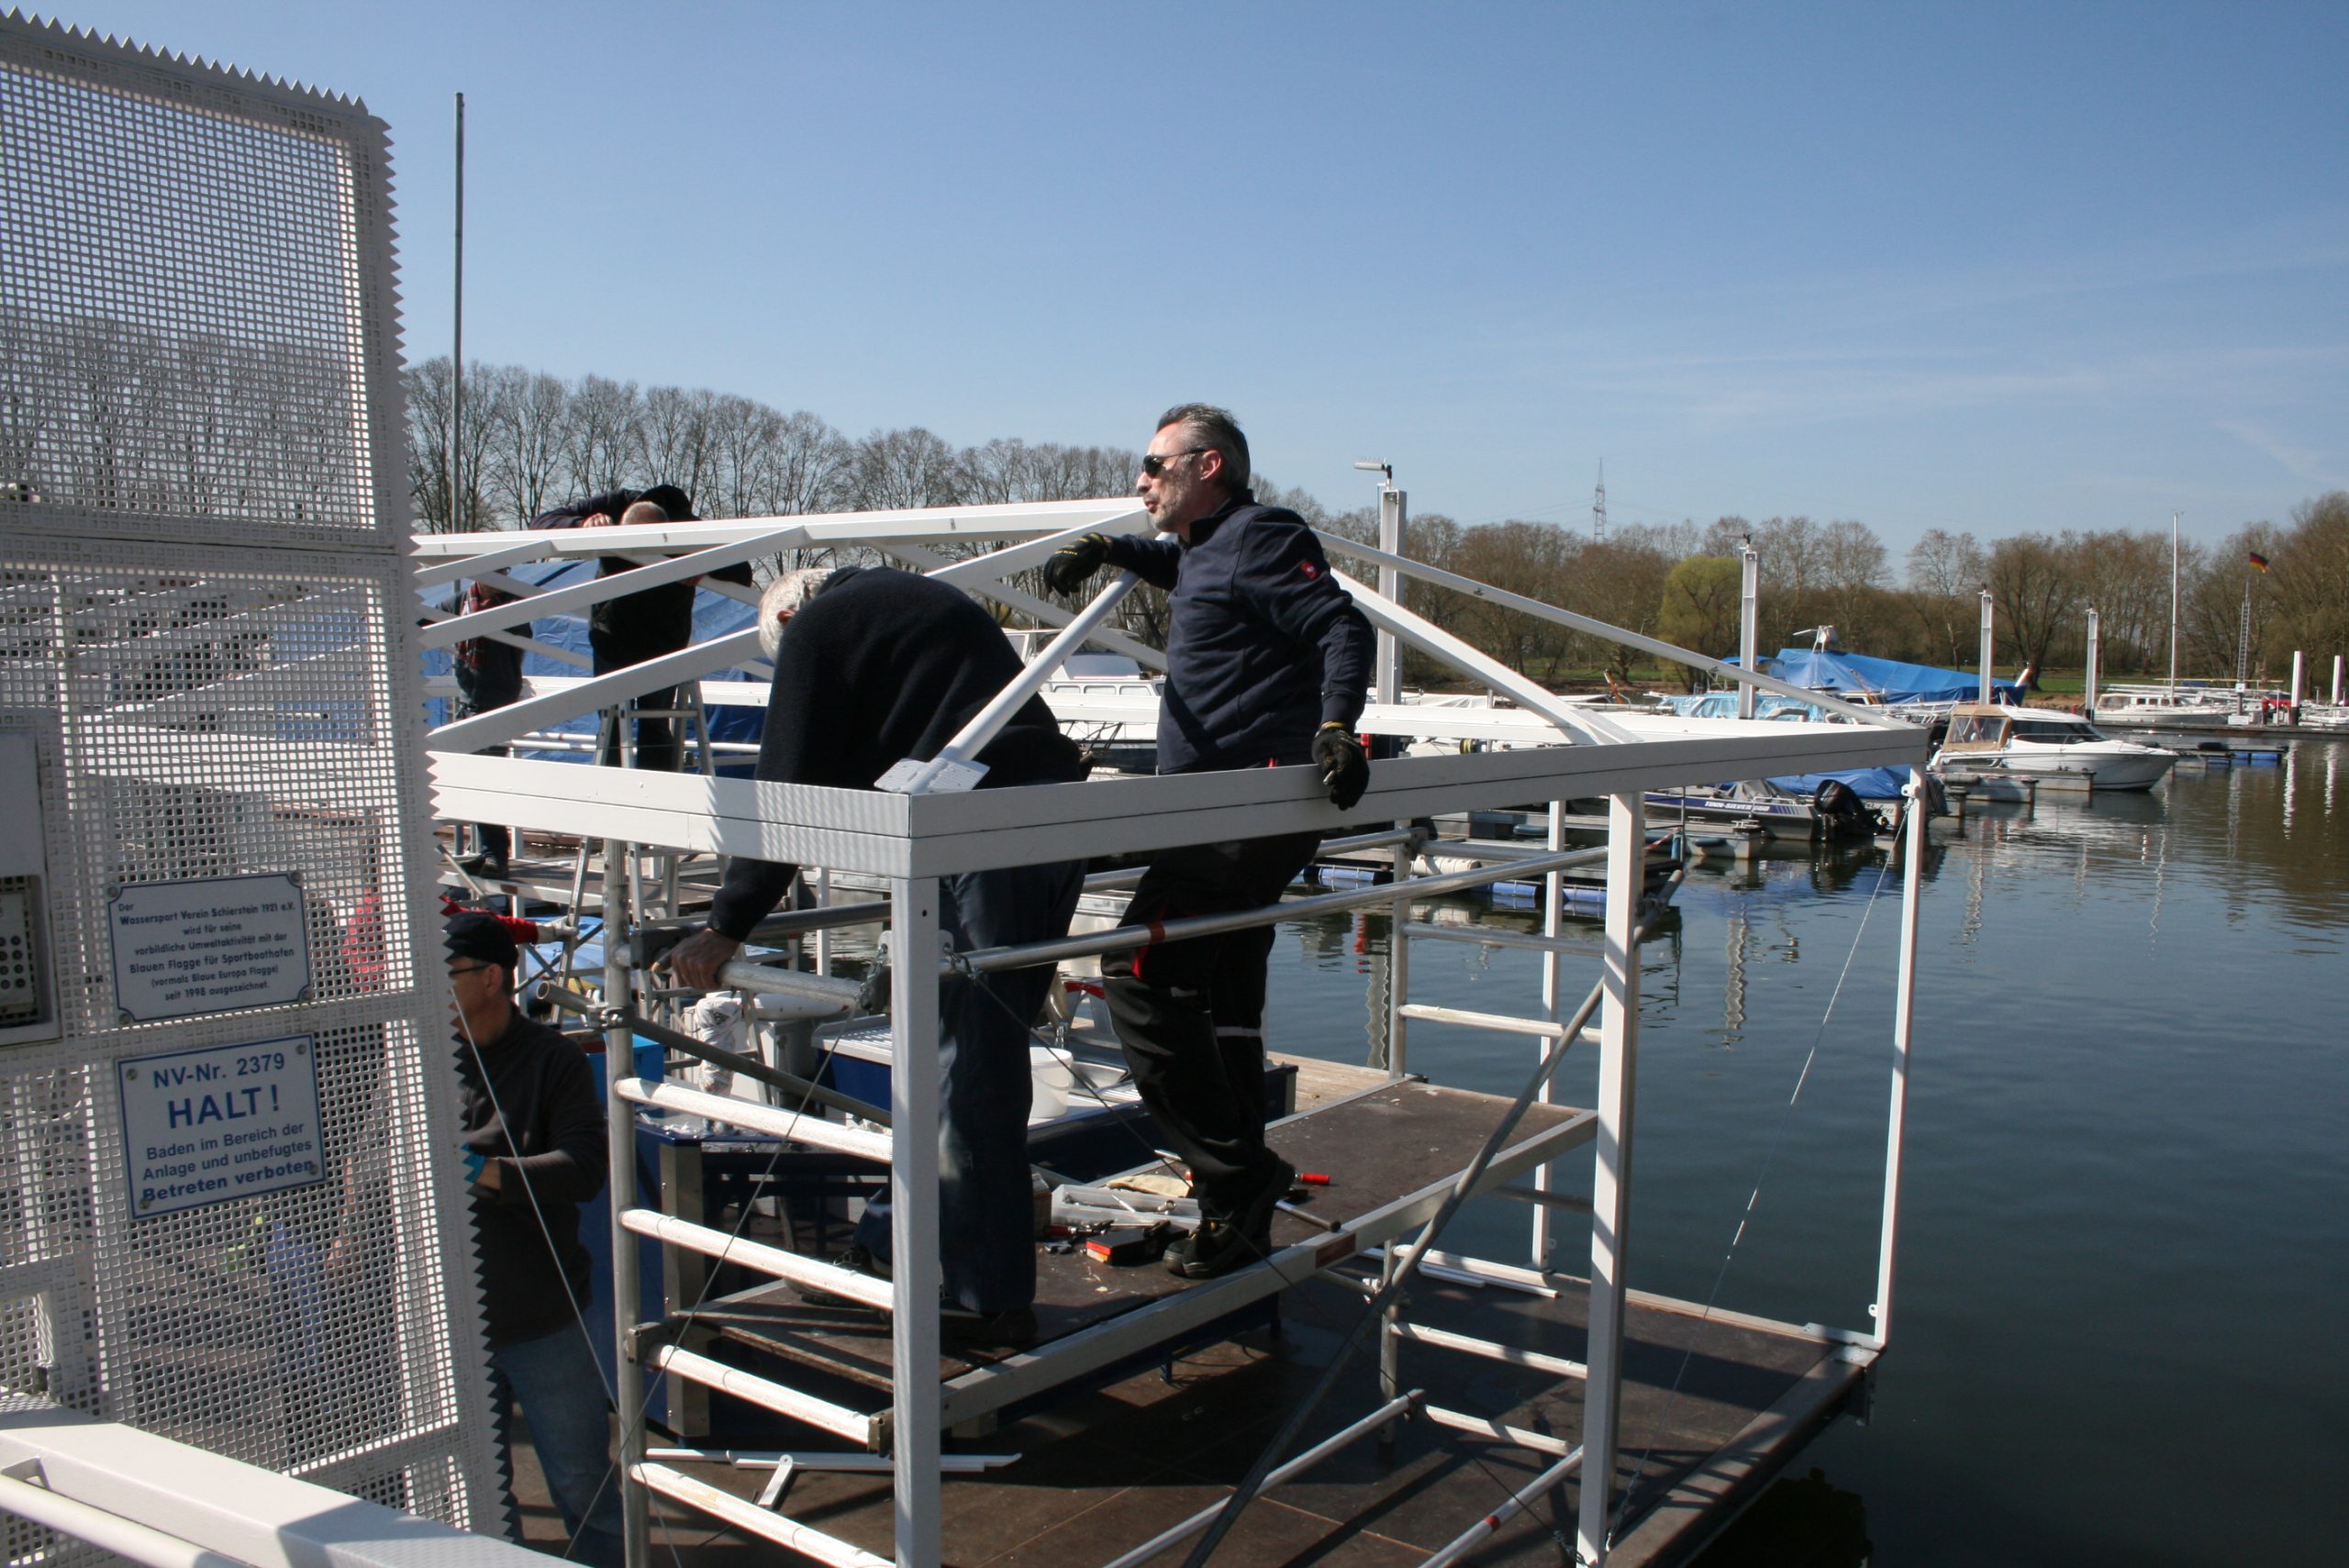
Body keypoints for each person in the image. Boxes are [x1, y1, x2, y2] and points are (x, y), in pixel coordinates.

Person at [667, 567, 1087, 1344]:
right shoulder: (915, 602)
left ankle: (987, 1300)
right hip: (1048, 824)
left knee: (971, 1075)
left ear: (787, 618)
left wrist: (727, 921)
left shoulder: (818, 629)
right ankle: (888, 1247)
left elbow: (785, 792)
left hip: (979, 840)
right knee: (951, 1065)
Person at [1040, 404, 1374, 1279]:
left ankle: (1237, 1174)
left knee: (1136, 972)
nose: (1141, 479)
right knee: (1223, 1000)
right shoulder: (1203, 548)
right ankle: (1236, 1215)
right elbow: (1192, 569)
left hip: (1240, 814)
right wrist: (1112, 550)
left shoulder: (1261, 535)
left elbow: (1341, 625)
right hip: (1214, 815)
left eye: (1155, 465)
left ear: (1210, 466)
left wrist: (1337, 725)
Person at [444, 908, 623, 1568]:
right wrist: (347, 1243)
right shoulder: (420, 1054)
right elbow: (369, 1154)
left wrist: (480, 1172)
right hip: (451, 1322)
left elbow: (584, 1168)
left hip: (542, 1315)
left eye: (446, 973)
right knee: (478, 1494)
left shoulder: (555, 1059)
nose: (430, 988)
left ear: (492, 978)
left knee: (583, 1483)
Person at [530, 483, 744, 773]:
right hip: (613, 637)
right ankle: (612, 791)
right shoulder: (612, 503)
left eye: (648, 550)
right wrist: (581, 525)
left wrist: (706, 562)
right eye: (633, 550)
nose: (639, 559)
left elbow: (741, 569)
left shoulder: (687, 526)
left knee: (654, 723)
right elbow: (541, 522)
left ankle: (655, 791)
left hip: (662, 641)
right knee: (611, 724)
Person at [451, 578, 527, 878]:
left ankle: (497, 855)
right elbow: (421, 621)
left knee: (487, 782)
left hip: (495, 705)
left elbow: (521, 641)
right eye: (496, 573)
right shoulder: (460, 601)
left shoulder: (513, 604)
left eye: (504, 572)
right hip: (470, 704)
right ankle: (488, 851)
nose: (501, 579)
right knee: (472, 782)